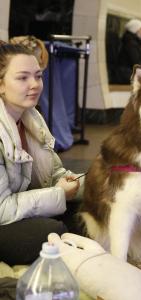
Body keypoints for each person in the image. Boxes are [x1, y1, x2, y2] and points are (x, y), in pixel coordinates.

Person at [0, 42, 82, 265]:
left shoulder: (32, 118)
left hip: (19, 209)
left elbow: (55, 173)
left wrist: (92, 183)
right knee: (51, 233)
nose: (35, 84)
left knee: (88, 209)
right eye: (23, 78)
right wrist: (58, 194)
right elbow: (2, 208)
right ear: (1, 84)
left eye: (38, 76)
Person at [117, 19, 141, 83]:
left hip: (129, 72)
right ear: (135, 30)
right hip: (126, 74)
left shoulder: (134, 42)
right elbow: (136, 62)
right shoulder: (130, 43)